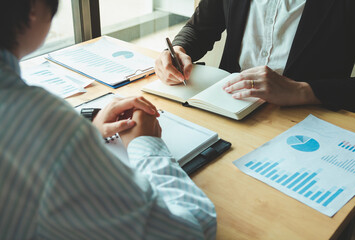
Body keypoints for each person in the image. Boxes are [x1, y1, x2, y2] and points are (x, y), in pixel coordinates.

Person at [0, 0, 216, 239]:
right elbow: (189, 230)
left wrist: (87, 133)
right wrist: (146, 144)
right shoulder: (40, 123)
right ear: (33, 7)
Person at [155, 0, 355, 112]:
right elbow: (200, 29)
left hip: (307, 121)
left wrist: (300, 91)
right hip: (226, 106)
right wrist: (178, 49)